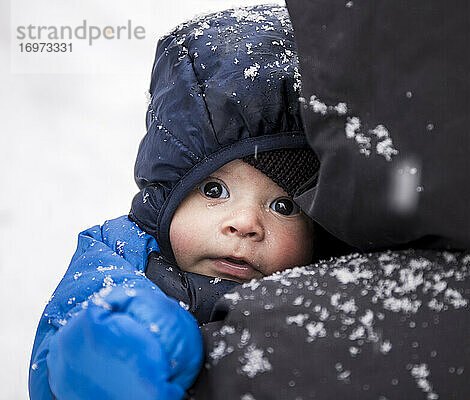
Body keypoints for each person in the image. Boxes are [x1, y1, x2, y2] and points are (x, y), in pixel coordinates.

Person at [28, 5, 327, 399]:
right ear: (168, 189)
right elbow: (74, 323)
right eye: (215, 190)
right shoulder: (123, 255)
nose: (244, 224)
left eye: (283, 206)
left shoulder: (327, 282)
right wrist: (114, 352)